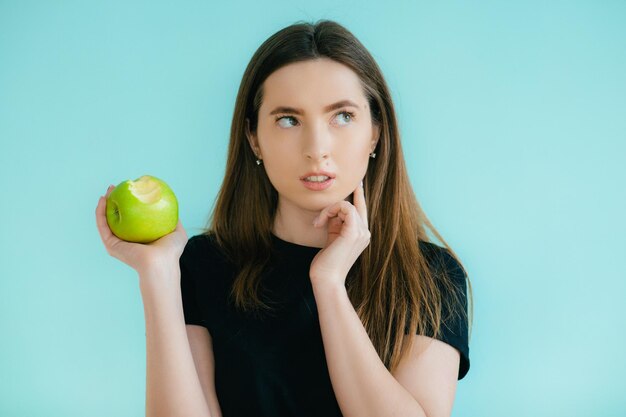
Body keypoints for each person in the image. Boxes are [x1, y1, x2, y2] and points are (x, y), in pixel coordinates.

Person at [96, 19, 472, 417]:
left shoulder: (431, 275)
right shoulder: (203, 264)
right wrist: (158, 277)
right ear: (254, 137)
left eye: (342, 116)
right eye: (288, 119)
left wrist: (328, 284)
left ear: (376, 133)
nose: (317, 148)